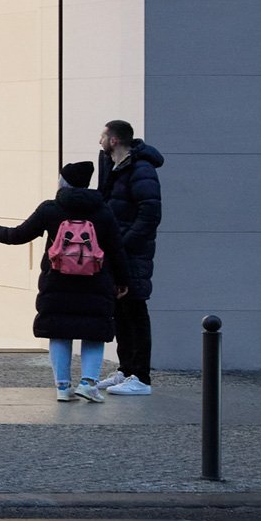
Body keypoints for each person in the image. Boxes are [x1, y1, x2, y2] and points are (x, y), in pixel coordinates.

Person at [0, 160, 131, 404]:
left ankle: (63, 387)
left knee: (60, 332)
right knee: (93, 332)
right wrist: (123, 281)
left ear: (64, 182)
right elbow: (116, 249)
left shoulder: (51, 209)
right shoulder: (103, 211)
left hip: (57, 282)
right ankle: (89, 384)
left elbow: (19, 235)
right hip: (95, 282)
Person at [95, 120, 164, 396]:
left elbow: (150, 215)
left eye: (102, 135)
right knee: (121, 311)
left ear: (113, 140)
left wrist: (121, 246)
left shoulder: (141, 169)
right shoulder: (113, 166)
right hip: (117, 251)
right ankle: (126, 370)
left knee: (135, 310)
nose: (98, 140)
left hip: (132, 253)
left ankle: (141, 377)